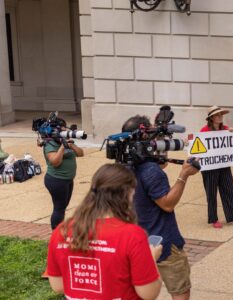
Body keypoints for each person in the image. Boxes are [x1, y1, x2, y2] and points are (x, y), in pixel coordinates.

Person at [46, 164, 163, 299]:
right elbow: (149, 293)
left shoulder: (62, 231)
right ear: (126, 194)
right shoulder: (132, 235)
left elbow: (58, 286)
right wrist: (151, 259)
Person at [123, 115, 200, 300]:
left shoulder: (123, 167)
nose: (157, 139)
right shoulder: (151, 171)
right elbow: (167, 204)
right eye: (153, 134)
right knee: (179, 290)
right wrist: (184, 175)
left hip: (135, 242)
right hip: (164, 243)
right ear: (145, 139)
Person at [200, 106, 233, 229]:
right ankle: (213, 219)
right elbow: (199, 148)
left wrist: (232, 134)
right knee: (211, 192)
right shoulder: (204, 131)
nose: (220, 116)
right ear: (211, 118)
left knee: (230, 189)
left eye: (221, 114)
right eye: (217, 115)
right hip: (209, 167)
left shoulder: (226, 130)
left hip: (223, 164)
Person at [42, 118, 84, 230]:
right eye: (62, 128)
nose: (65, 130)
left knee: (62, 207)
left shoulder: (65, 140)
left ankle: (60, 230)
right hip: (56, 180)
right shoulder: (50, 144)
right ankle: (56, 233)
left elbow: (81, 153)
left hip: (67, 180)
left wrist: (71, 145)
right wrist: (62, 147)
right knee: (59, 208)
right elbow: (55, 162)